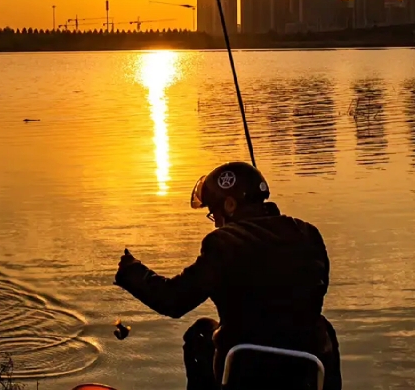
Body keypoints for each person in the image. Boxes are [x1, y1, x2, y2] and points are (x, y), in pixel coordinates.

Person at [113, 162, 341, 390]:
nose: (215, 224)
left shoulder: (223, 243)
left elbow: (174, 300)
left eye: (213, 214)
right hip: (305, 371)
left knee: (201, 333)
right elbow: (318, 289)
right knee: (323, 327)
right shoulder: (308, 233)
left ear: (230, 205)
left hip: (247, 370)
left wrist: (132, 272)